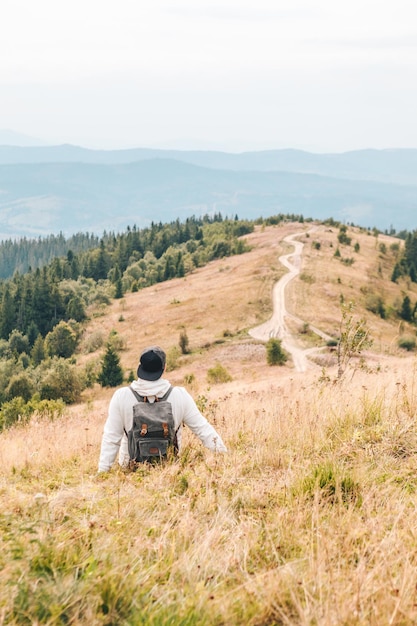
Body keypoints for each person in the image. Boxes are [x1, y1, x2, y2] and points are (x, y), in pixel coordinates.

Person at [98, 345, 227, 472]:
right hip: (170, 471)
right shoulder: (179, 395)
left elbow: (111, 438)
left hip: (130, 474)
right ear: (164, 368)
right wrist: (224, 456)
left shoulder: (122, 396)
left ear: (140, 366)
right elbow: (203, 430)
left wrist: (102, 472)